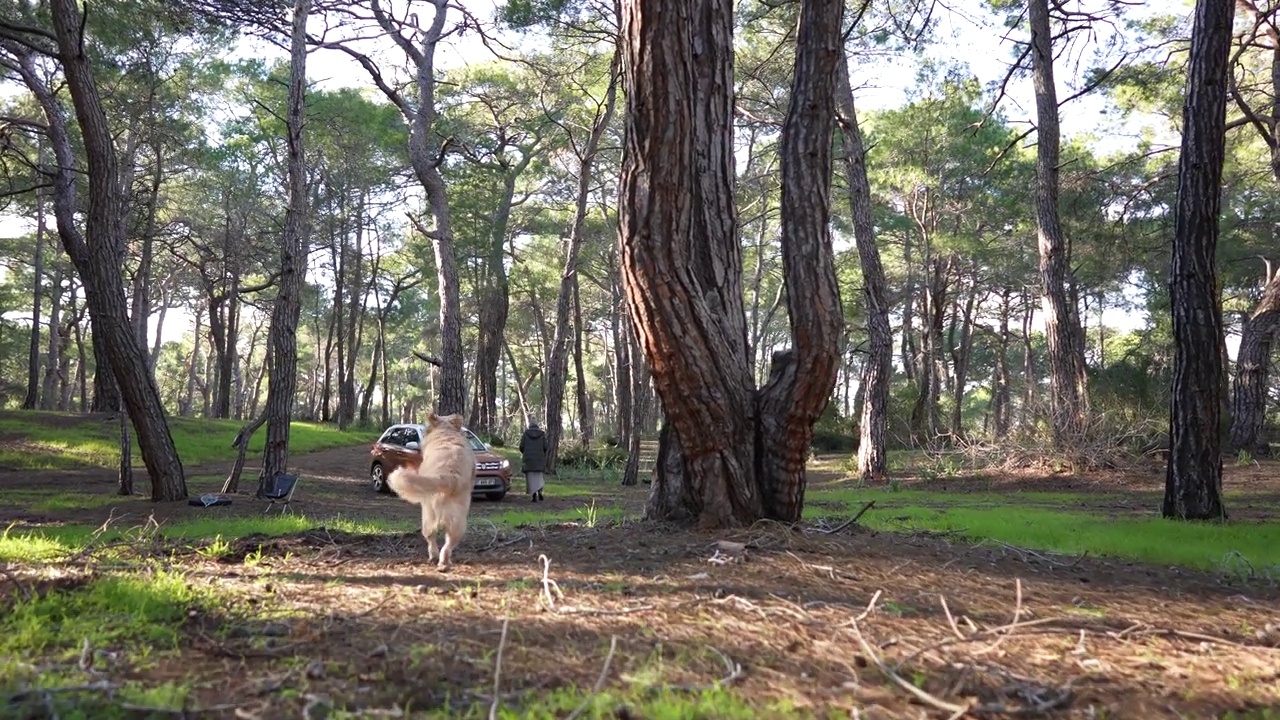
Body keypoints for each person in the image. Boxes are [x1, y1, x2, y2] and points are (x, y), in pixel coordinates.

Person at [518, 420, 548, 502]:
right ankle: (540, 492)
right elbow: (545, 446)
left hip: (529, 460)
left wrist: (525, 453)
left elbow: (521, 446)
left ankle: (534, 495)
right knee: (539, 477)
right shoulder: (542, 434)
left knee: (531, 478)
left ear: (530, 426)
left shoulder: (525, 434)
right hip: (539, 459)